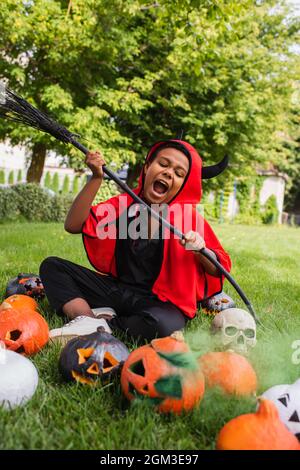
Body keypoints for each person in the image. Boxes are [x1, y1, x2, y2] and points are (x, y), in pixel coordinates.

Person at [39, 139, 231, 344]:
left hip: (157, 303)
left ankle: (106, 325)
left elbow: (219, 268)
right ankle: (87, 319)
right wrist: (96, 177)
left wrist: (200, 250)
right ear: (147, 167)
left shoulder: (188, 219)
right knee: (53, 267)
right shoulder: (123, 206)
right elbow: (73, 225)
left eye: (179, 173)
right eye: (163, 164)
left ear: (182, 186)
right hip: (117, 291)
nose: (168, 173)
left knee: (166, 326)